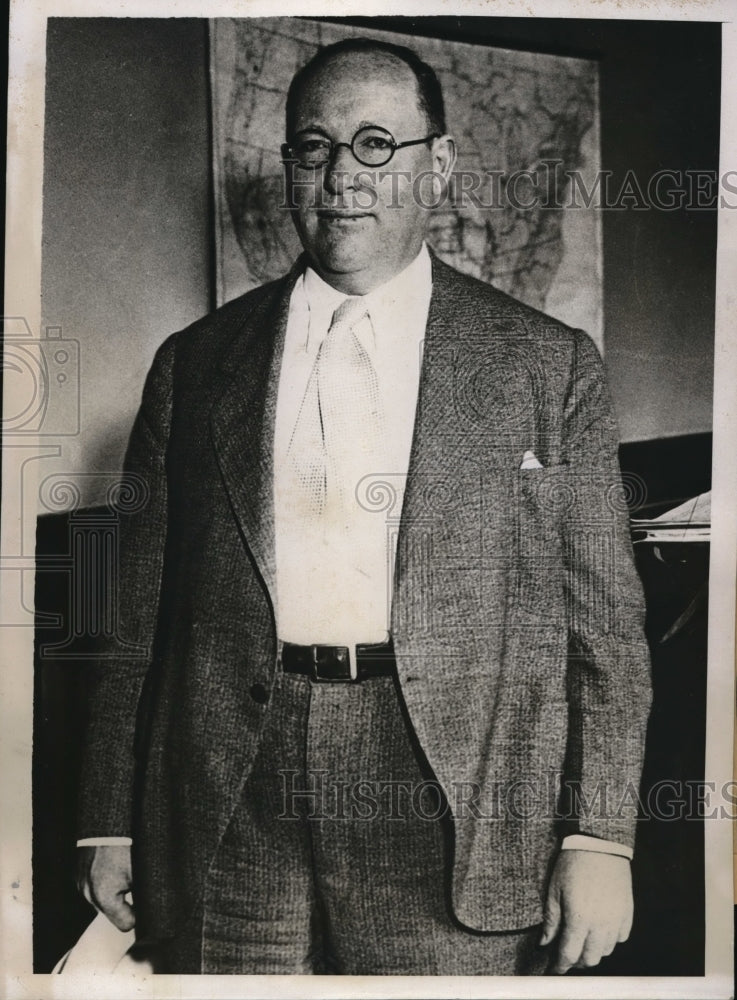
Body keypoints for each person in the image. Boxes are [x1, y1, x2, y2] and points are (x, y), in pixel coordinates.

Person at [76, 36, 653, 975]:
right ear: (292, 168)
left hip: (452, 803)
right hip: (228, 800)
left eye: (377, 143)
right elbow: (131, 615)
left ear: (440, 168)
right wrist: (105, 817)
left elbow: (605, 635)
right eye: (315, 146)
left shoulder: (546, 365)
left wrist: (598, 839)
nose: (344, 175)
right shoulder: (196, 361)